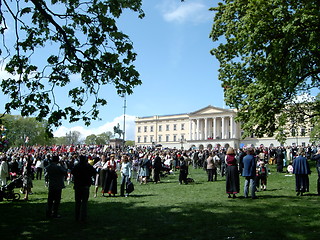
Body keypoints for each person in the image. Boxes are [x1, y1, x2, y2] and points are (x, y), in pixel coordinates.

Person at [72, 155, 96, 222]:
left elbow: (72, 172)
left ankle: (77, 217)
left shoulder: (77, 166)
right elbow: (94, 172)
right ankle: (83, 217)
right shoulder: (88, 166)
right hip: (85, 185)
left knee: (77, 202)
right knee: (84, 202)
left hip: (78, 185)